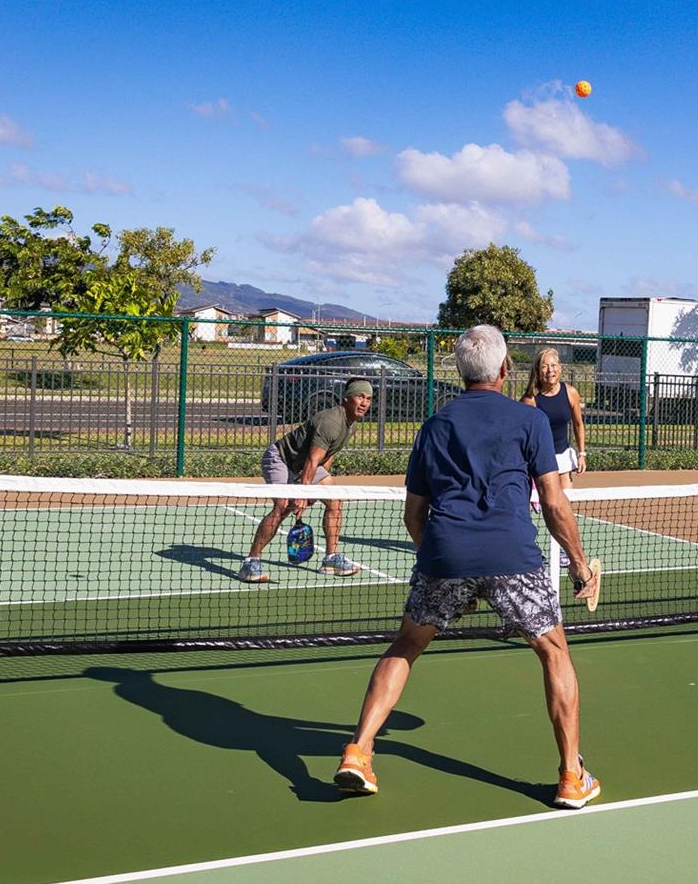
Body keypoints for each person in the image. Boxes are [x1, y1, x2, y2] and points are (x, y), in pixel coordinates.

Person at [334, 325, 602, 808]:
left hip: (444, 553)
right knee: (554, 652)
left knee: (405, 646)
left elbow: (413, 515)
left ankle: (358, 751)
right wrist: (579, 565)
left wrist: (445, 561)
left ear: (461, 372)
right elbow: (556, 504)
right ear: (504, 370)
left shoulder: (435, 426)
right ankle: (570, 776)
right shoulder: (531, 421)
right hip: (513, 557)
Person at [238, 379, 373, 583]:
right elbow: (312, 459)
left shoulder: (349, 424)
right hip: (280, 459)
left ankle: (331, 559)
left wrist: (312, 493)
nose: (364, 403)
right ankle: (251, 562)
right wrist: (304, 493)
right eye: (360, 396)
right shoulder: (331, 422)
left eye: (369, 399)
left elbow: (325, 458)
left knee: (334, 500)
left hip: (305, 467)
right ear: (347, 399)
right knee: (282, 507)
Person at [520, 347, 587, 490]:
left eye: (553, 365)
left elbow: (578, 425)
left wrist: (581, 454)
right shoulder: (530, 400)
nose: (550, 370)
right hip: (539, 460)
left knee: (565, 504)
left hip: (563, 456)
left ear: (560, 368)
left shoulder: (571, 393)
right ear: (538, 371)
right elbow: (521, 434)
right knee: (545, 506)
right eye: (544, 367)